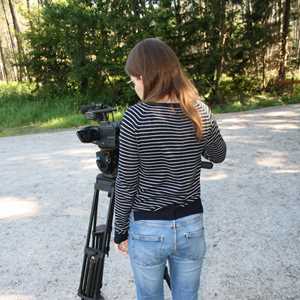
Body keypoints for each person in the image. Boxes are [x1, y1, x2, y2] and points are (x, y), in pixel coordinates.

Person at [113, 37, 226, 300]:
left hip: (148, 230)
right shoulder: (198, 111)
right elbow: (218, 154)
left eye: (133, 81)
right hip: (190, 226)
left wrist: (119, 231)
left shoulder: (135, 117)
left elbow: (126, 181)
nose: (134, 87)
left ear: (143, 76)